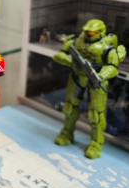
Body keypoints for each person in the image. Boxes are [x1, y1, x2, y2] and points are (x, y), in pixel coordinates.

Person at [53, 19, 126, 158]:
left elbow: (112, 67)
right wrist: (71, 62)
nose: (88, 34)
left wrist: (100, 76)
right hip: (77, 76)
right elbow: (60, 54)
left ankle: (96, 144)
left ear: (100, 32)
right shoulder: (77, 41)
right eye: (87, 31)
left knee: (95, 115)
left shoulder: (107, 47)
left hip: (96, 80)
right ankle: (67, 133)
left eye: (92, 32)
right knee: (69, 107)